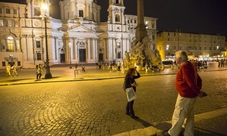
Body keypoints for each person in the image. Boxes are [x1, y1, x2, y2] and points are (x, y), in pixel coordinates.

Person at [164, 51, 207, 136]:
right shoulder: (191, 65)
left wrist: (197, 92)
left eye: (175, 58)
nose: (174, 59)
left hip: (185, 96)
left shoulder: (184, 67)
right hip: (191, 96)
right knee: (190, 116)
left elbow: (190, 81)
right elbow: (199, 80)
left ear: (180, 59)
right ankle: (189, 133)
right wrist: (196, 91)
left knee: (179, 114)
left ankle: (172, 133)